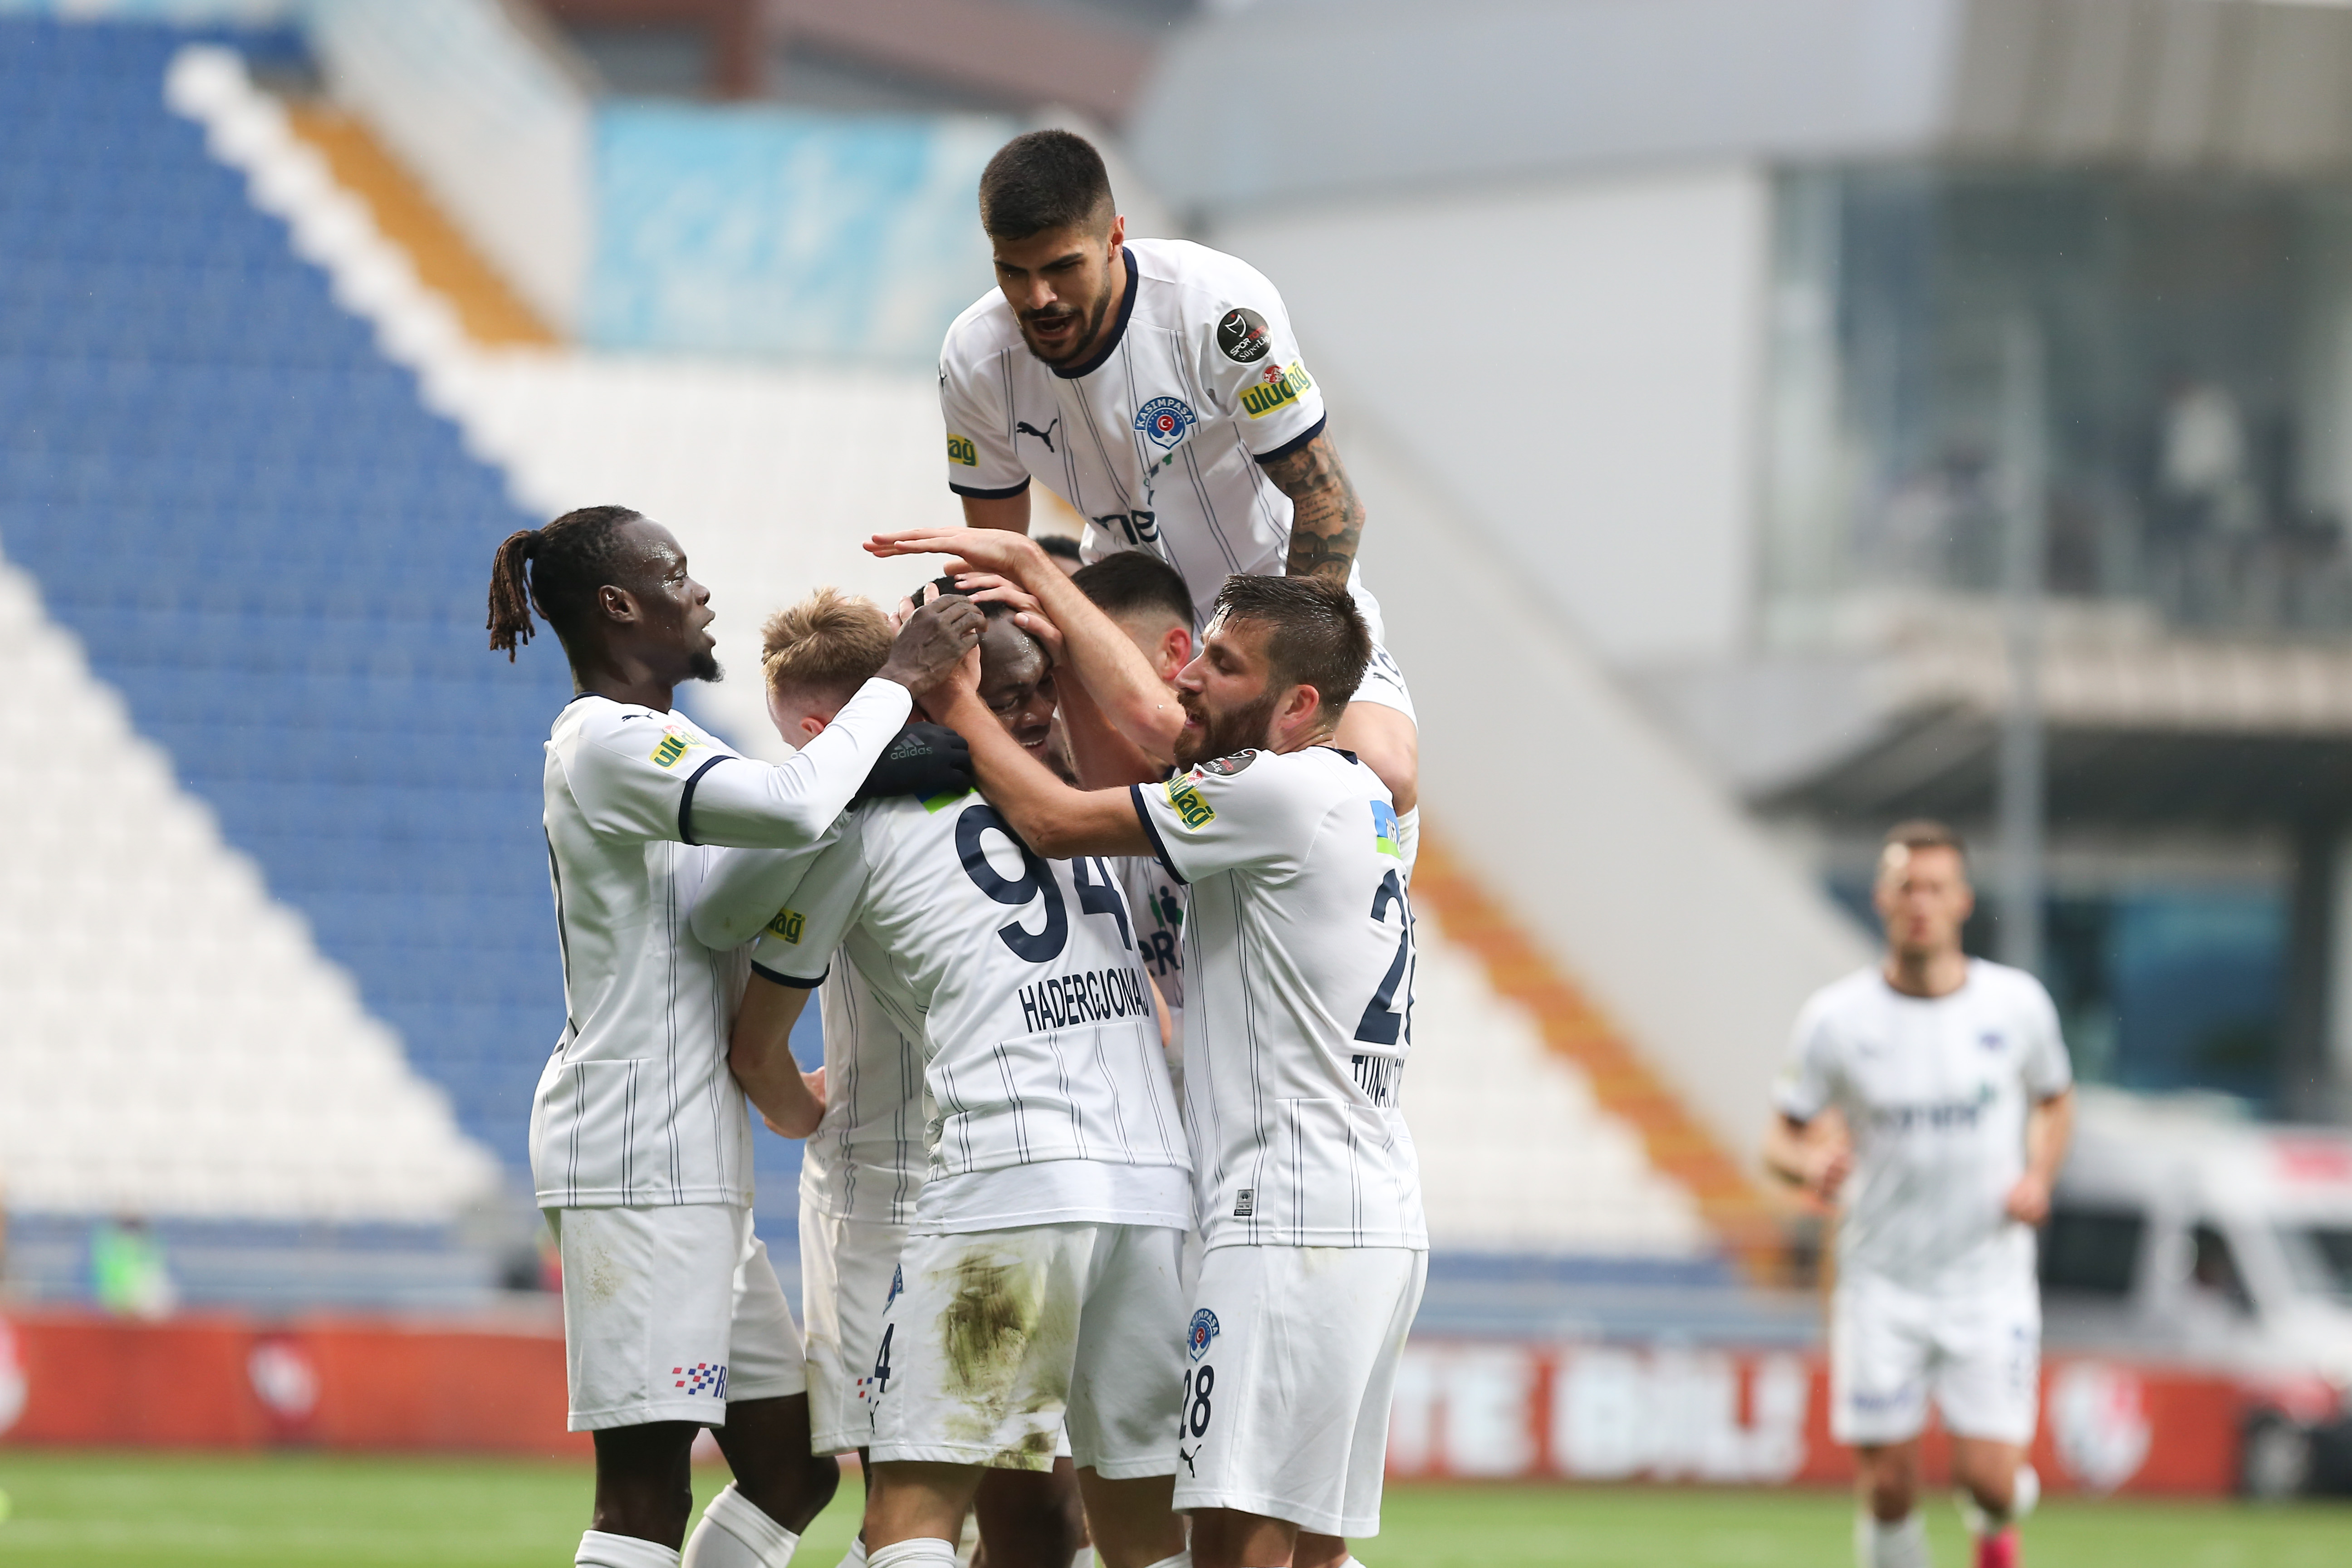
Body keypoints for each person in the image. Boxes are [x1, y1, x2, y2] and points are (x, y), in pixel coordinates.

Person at [487, 505, 982, 1568]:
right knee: (642, 1494)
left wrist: (871, 777)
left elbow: (725, 910)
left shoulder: (669, 745)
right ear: (619, 606)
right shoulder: (605, 739)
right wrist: (898, 684)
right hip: (634, 1154)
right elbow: (796, 809)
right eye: (674, 574)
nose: (700, 591)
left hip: (689, 1159)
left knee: (792, 1470)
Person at [918, 573, 1426, 1568]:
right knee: (1308, 1549)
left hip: (1287, 1221)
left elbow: (1055, 820)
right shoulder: (1358, 797)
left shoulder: (1276, 790)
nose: (1189, 679)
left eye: (1223, 666)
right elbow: (1153, 749)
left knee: (1235, 1543)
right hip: (1370, 1210)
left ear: (1299, 706)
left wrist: (953, 700)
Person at [720, 588, 1192, 1568]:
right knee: (1144, 1531)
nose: (1033, 711)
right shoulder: (1074, 809)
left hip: (1007, 1181)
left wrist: (796, 1107)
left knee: (912, 1515)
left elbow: (751, 1031)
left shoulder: (858, 822)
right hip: (1150, 1188)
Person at [937, 128, 1421, 872]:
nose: (1039, 299)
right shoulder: (974, 359)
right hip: (1131, 622)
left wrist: (1272, 676)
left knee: (1379, 774)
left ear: (1114, 238)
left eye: (1062, 268)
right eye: (1014, 272)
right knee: (1108, 821)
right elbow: (999, 563)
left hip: (1286, 601)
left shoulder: (1218, 309)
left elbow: (1330, 508)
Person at [1763, 822, 2076, 1568]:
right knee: (1888, 1486)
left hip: (1987, 1281)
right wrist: (1808, 1167)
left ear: (1963, 901)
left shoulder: (2017, 1006)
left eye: (1936, 888)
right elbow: (1778, 1137)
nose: (1921, 903)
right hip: (1882, 1281)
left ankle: (1996, 1523)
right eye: (1907, 887)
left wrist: (2038, 1175)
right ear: (1882, 898)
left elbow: (2056, 1100)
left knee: (1990, 1482)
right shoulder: (1837, 1021)